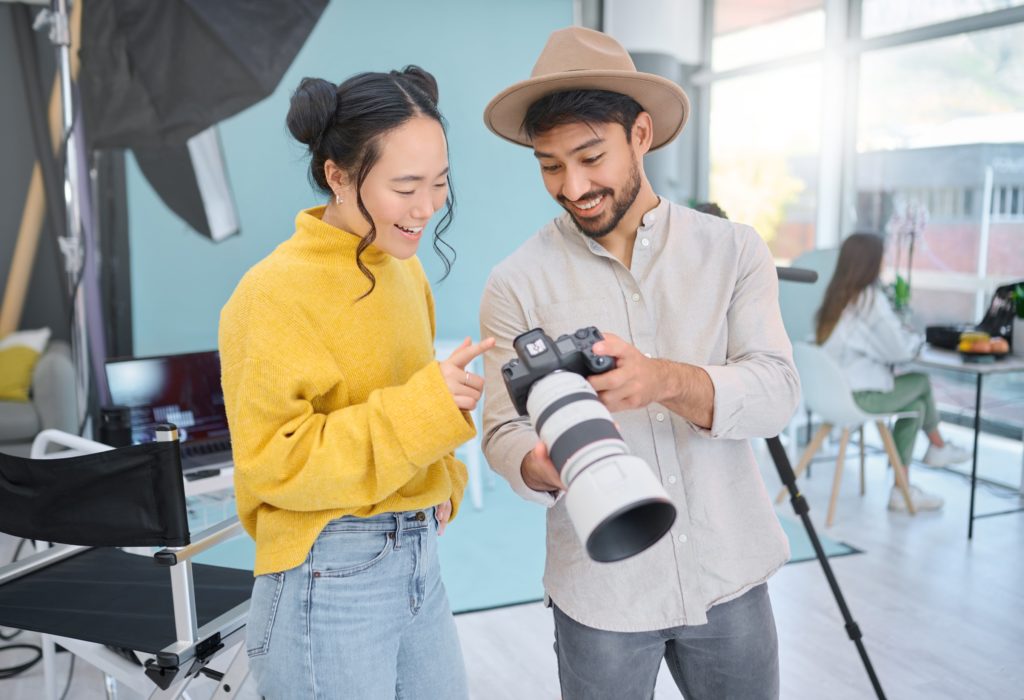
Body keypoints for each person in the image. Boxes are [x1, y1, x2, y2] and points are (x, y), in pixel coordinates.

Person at [479, 28, 799, 700]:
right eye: (549, 166)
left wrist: (663, 379)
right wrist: (544, 462)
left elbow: (777, 393)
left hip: (729, 573)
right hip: (601, 592)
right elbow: (502, 432)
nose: (573, 186)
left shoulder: (733, 251)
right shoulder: (515, 282)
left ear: (642, 135)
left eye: (591, 156)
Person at [219, 67, 493, 699]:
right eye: (405, 187)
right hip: (328, 568)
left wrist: (444, 479)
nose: (427, 208)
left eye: (439, 183)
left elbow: (415, 389)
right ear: (337, 175)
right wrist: (426, 410)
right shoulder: (271, 293)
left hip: (416, 551)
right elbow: (272, 462)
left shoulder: (403, 271)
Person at [816, 232, 969, 511]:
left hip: (833, 395)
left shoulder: (836, 297)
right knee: (921, 381)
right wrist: (917, 340)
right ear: (870, 262)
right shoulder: (867, 299)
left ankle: (903, 487)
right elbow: (897, 348)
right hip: (859, 397)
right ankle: (937, 448)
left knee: (916, 406)